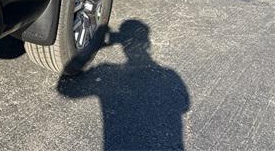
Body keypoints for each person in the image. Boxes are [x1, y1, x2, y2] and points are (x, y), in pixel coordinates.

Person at [58, 20, 190, 150]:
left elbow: (65, 90)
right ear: (147, 43)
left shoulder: (106, 72)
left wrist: (90, 49)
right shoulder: (170, 75)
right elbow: (184, 106)